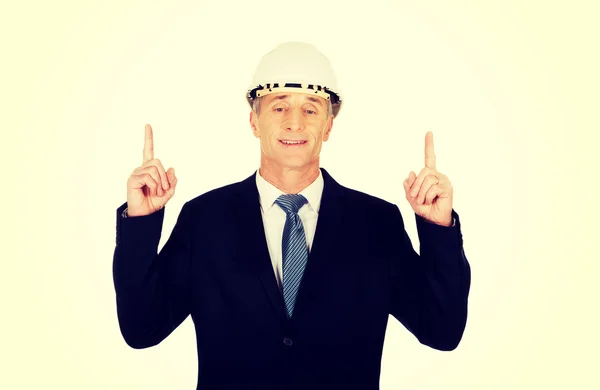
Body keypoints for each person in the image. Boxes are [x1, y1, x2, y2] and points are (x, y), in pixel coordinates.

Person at [113, 41, 471, 390]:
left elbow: (442, 331)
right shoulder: (204, 220)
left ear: (328, 127)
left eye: (311, 109)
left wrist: (438, 228)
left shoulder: (377, 223)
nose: (295, 123)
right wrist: (141, 222)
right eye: (279, 108)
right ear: (254, 121)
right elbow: (142, 329)